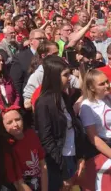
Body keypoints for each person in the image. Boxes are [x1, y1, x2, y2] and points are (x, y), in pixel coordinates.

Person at [34, 56, 85, 191]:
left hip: (71, 156)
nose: (69, 78)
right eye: (65, 75)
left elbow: (73, 128)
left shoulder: (64, 97)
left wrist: (80, 156)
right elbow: (46, 139)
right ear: (54, 77)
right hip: (58, 162)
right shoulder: (43, 103)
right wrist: (62, 170)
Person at [78, 69, 111, 190]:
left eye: (107, 81)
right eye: (102, 84)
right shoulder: (87, 106)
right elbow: (94, 139)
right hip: (99, 153)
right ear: (92, 87)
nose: (107, 85)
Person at [0, 107, 48, 191]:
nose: (15, 124)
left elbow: (43, 165)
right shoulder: (7, 147)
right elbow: (18, 182)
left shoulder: (31, 134)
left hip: (39, 181)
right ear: (3, 126)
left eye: (17, 119)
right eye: (9, 122)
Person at [10, 29, 46, 98]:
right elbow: (16, 83)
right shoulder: (20, 58)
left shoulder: (48, 55)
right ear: (31, 41)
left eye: (44, 38)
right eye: (39, 38)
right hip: (29, 98)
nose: (42, 41)